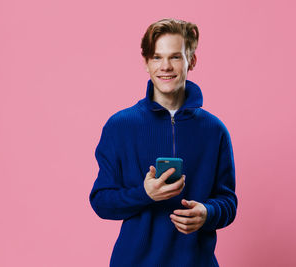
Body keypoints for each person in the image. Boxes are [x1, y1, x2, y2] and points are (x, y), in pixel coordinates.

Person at [89, 18, 237, 267]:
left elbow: (228, 202)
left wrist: (207, 213)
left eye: (176, 57)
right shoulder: (119, 126)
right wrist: (144, 194)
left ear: (192, 61)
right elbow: (102, 201)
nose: (165, 66)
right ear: (146, 63)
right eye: (157, 57)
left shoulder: (215, 130)